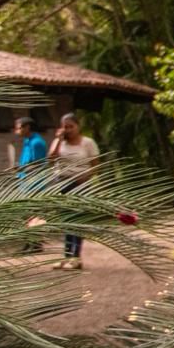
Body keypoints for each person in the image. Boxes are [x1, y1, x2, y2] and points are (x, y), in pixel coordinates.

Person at [47, 112, 99, 270]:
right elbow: (50, 160)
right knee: (65, 221)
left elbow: (96, 165)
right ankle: (66, 256)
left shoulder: (88, 143)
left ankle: (76, 258)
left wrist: (86, 177)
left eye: (71, 126)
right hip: (62, 183)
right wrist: (58, 140)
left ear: (78, 126)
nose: (68, 130)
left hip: (80, 184)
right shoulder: (59, 142)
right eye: (65, 127)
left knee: (77, 221)